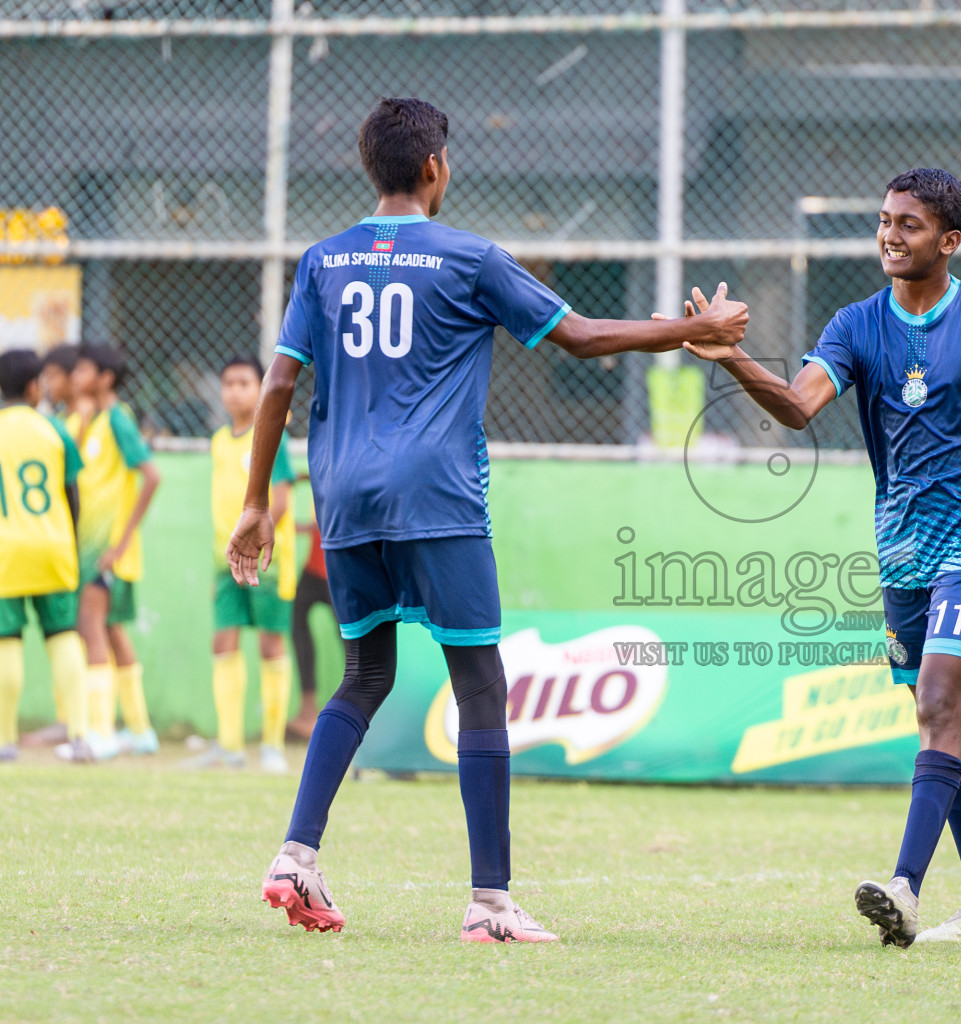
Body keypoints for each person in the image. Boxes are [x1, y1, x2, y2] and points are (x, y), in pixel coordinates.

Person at [226, 97, 749, 943]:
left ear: (371, 168)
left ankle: (295, 855)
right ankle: (491, 904)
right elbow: (576, 336)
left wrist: (255, 502)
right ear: (436, 167)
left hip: (343, 494)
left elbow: (281, 385)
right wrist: (693, 328)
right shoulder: (469, 258)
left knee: (363, 674)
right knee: (480, 686)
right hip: (436, 496)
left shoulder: (322, 263)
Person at [675, 168, 961, 946]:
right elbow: (799, 407)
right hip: (902, 551)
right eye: (885, 220)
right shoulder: (855, 324)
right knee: (951, 723)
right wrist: (731, 359)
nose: (890, 235)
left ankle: (904, 884)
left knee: (937, 701)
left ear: (950, 240)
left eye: (909, 224)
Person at [186, 355, 297, 773]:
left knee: (271, 644)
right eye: (228, 382)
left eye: (244, 383)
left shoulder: (273, 437)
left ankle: (271, 746)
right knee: (224, 642)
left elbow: (281, 500)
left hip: (268, 561)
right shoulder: (219, 441)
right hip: (224, 562)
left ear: (261, 388)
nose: (235, 390)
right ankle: (229, 745)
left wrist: (254, 544)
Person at [70, 344, 161, 759]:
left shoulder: (119, 420)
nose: (75, 375)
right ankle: (140, 731)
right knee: (110, 629)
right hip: (93, 546)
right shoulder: (92, 421)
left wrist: (121, 543)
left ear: (105, 377)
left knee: (91, 627)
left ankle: (102, 733)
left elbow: (152, 476)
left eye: (84, 368)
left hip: (105, 550)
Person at [0, 351, 90, 762]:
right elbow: (72, 495)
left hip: (6, 551)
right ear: (35, 387)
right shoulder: (53, 429)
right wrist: (68, 539)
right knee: (63, 635)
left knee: (7, 641)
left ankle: (5, 741)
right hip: (53, 546)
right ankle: (80, 735)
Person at [287, 517, 332, 740]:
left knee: (356, 642)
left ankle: (368, 714)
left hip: (339, 566)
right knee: (297, 622)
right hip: (315, 567)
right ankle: (307, 711)